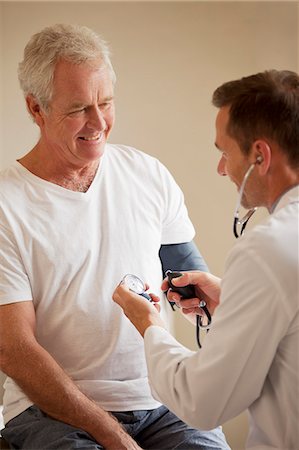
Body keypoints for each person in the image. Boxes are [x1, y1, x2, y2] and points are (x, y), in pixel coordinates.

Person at [0, 23, 230, 450]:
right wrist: (114, 437)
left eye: (106, 102)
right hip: (48, 413)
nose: (99, 121)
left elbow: (190, 275)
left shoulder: (147, 173)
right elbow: (14, 350)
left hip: (163, 400)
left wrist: (210, 304)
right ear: (36, 108)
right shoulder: (6, 205)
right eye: (78, 109)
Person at [113, 70, 299, 450]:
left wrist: (151, 326)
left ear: (259, 156)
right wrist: (233, 299)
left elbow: (203, 401)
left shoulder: (266, 249)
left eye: (224, 152)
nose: (221, 168)